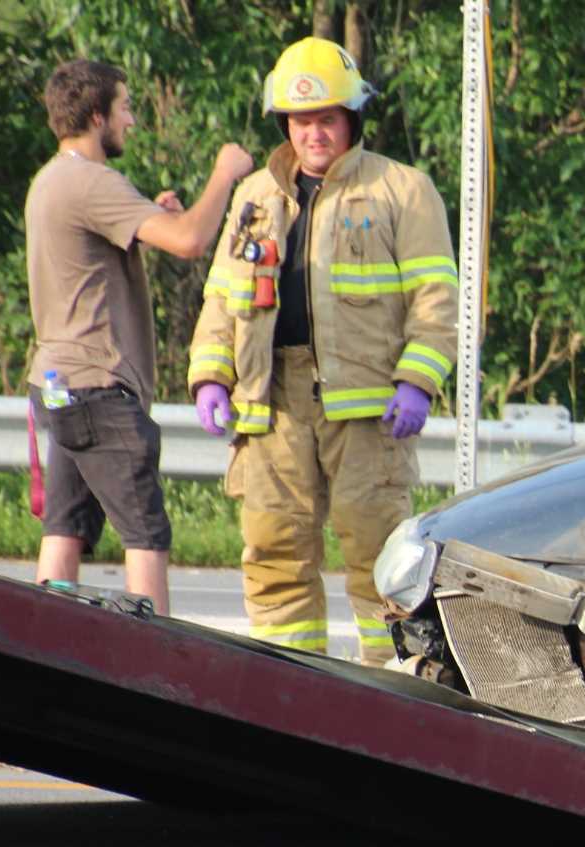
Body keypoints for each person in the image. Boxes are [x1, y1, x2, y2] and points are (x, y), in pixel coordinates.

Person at [187, 36, 458, 665]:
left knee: (381, 560)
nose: (314, 134)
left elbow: (435, 299)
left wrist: (418, 380)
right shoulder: (254, 195)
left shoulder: (402, 189)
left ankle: (390, 694)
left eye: (327, 119)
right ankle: (289, 695)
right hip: (272, 404)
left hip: (368, 412)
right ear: (286, 123)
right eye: (303, 121)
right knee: (274, 555)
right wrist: (209, 376)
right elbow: (222, 298)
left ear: (351, 119)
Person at [26, 58, 254, 616]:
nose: (131, 120)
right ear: (97, 115)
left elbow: (110, 246)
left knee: (66, 526)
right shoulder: (91, 180)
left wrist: (152, 216)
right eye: (125, 107)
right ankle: (152, 671)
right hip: (98, 389)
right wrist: (225, 174)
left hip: (57, 384)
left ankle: (41, 643)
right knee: (145, 531)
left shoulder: (52, 180)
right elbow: (191, 240)